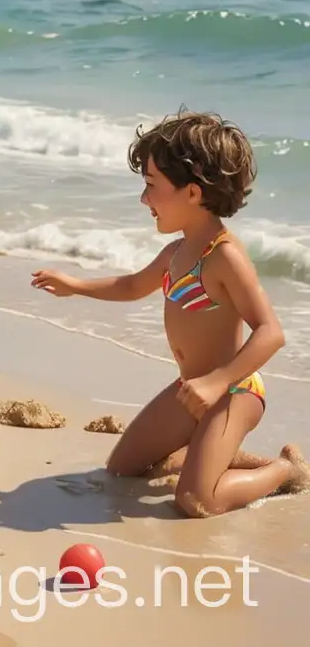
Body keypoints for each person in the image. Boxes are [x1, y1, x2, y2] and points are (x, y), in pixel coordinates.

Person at [32, 110, 310, 518]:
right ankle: (212, 452)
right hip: (190, 388)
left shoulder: (224, 256)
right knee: (123, 469)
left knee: (196, 501)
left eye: (150, 186)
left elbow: (271, 332)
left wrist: (217, 383)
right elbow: (130, 286)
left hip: (234, 391)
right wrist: (75, 286)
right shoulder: (177, 252)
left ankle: (286, 469)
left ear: (193, 193)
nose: (144, 199)